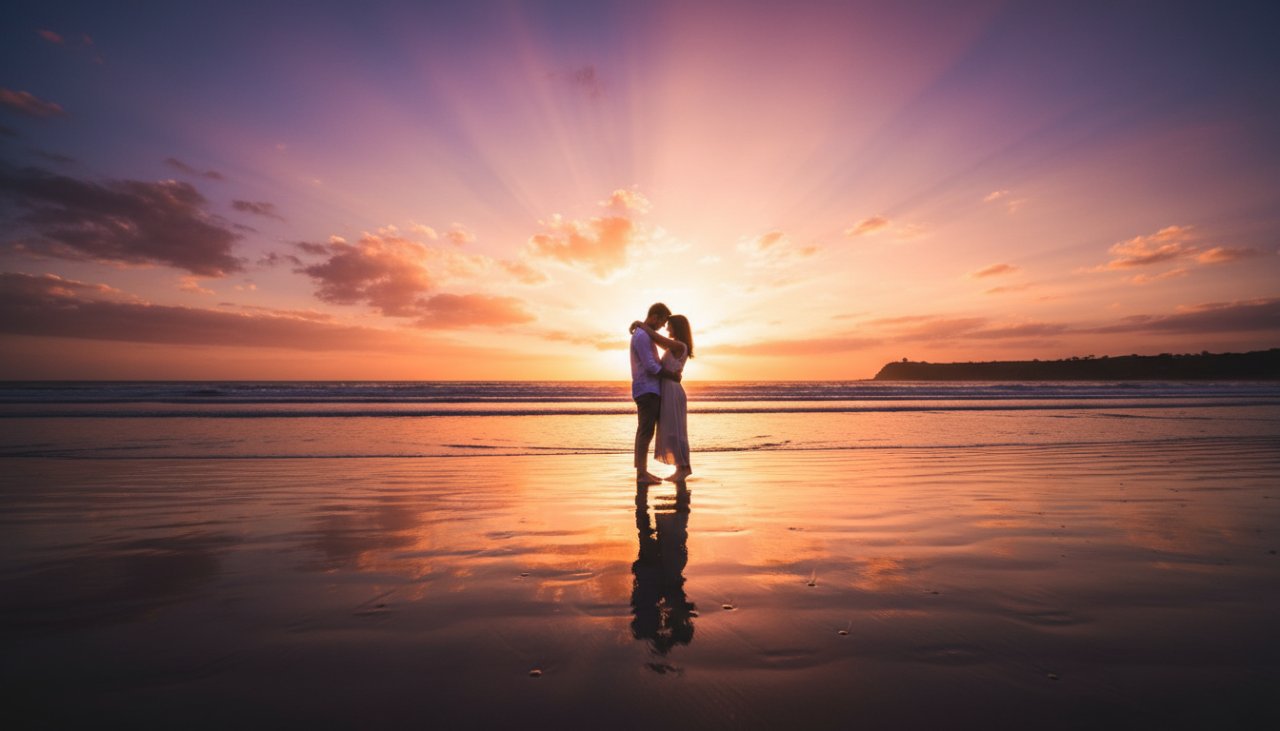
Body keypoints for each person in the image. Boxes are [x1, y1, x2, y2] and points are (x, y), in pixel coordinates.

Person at [630, 314, 693, 482]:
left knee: (676, 430)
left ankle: (685, 468)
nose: (667, 328)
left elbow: (658, 338)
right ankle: (681, 467)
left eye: (669, 325)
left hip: (672, 391)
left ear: (677, 327)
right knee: (671, 429)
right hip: (668, 390)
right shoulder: (673, 346)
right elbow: (658, 341)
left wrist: (641, 325)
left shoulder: (679, 345)